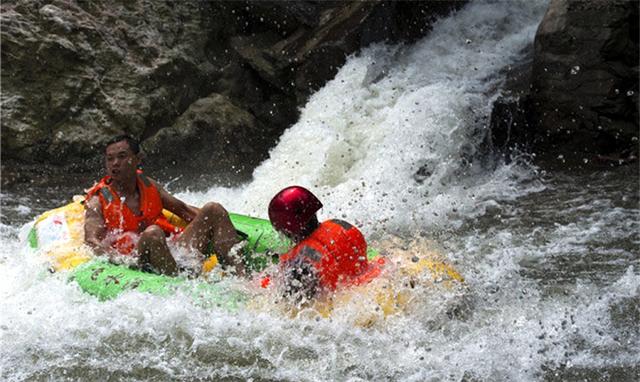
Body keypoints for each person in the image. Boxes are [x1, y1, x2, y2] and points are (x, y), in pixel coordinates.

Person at [84, 135, 244, 276]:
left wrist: (222, 227)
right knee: (153, 233)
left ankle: (241, 277)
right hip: (136, 259)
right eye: (110, 159)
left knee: (213, 209)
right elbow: (92, 241)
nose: (115, 163)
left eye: (122, 156)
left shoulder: (150, 186)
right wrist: (121, 262)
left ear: (137, 159)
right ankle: (179, 284)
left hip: (173, 250)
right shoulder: (98, 200)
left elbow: (184, 210)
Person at [267, 186, 380, 301]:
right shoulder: (340, 224)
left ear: (286, 229)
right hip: (374, 283)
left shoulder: (300, 264)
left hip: (343, 303)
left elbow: (290, 305)